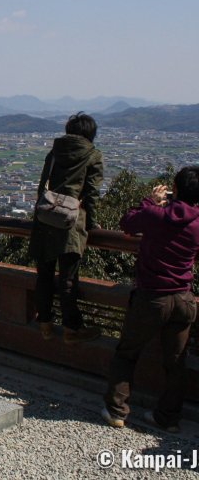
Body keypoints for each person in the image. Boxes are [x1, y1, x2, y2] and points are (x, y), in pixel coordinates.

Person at [102, 167, 199, 432]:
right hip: (184, 298)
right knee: (176, 362)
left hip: (152, 297)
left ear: (174, 189)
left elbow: (127, 223)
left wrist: (151, 201)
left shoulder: (157, 215)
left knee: (127, 353)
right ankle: (168, 418)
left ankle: (117, 411)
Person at [29, 112, 104, 344]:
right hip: (71, 222)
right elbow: (91, 194)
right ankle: (72, 330)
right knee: (68, 279)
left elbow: (43, 185)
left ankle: (45, 325)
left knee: (44, 275)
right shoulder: (93, 155)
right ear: (91, 133)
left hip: (45, 219)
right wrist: (92, 223)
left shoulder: (54, 152)